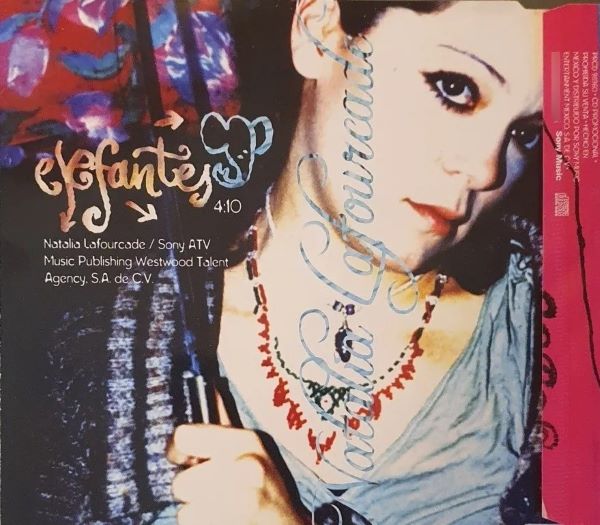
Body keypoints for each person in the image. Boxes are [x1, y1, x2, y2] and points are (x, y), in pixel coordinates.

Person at [31, 1, 543, 524]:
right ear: (318, 29)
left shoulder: (557, 347)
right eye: (455, 88)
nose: (486, 168)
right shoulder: (78, 360)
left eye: (526, 132)